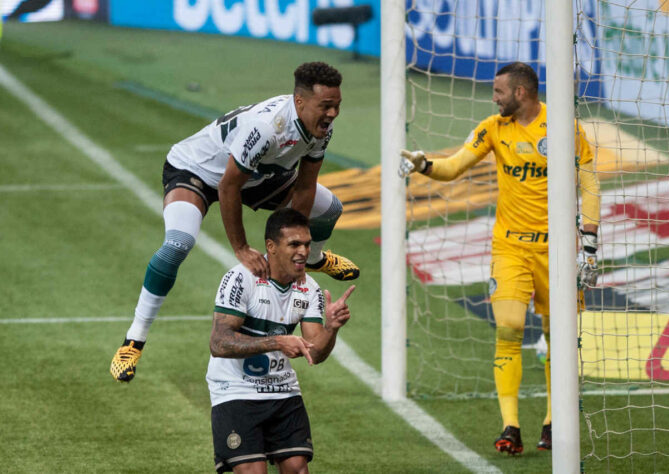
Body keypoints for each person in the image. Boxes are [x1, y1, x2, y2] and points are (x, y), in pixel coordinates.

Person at [110, 62, 359, 383]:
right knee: (178, 245)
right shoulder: (268, 128)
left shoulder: (320, 128)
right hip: (196, 171)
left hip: (258, 174)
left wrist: (295, 253)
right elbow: (228, 185)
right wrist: (241, 248)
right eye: (326, 106)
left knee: (330, 208)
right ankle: (134, 339)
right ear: (300, 102)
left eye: (337, 105)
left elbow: (306, 185)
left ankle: (313, 260)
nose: (333, 113)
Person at [399, 62, 600, 455]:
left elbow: (589, 180)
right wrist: (424, 164)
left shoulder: (563, 127)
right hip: (510, 247)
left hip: (557, 250)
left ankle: (552, 421)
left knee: (557, 335)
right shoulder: (494, 127)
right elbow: (455, 165)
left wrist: (589, 240)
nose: (493, 98)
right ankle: (510, 425)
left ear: (521, 93)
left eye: (498, 92)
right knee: (507, 327)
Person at [207, 208, 355, 473]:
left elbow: (315, 353)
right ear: (271, 247)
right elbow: (219, 343)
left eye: (307, 244)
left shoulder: (309, 288)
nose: (303, 252)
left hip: (282, 390)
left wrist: (331, 328)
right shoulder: (241, 278)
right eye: (294, 244)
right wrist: (276, 343)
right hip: (235, 390)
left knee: (298, 468)